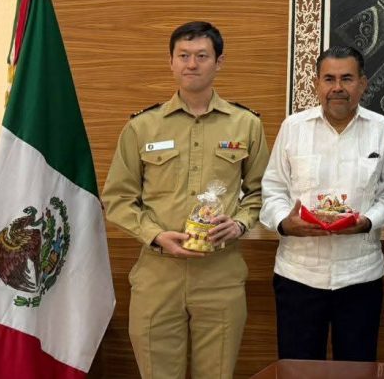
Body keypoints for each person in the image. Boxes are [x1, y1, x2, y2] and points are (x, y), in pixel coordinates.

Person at [103, 21, 269, 379]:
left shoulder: (246, 125)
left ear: (219, 62)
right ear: (171, 62)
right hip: (158, 273)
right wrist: (154, 235)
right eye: (183, 55)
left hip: (221, 273)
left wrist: (239, 224)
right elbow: (117, 198)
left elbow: (260, 193)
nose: (192, 64)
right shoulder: (142, 127)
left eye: (202, 56)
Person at [259, 45, 384, 361]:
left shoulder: (382, 129)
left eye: (347, 78)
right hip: (299, 275)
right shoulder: (293, 127)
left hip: (360, 275)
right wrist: (285, 223)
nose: (338, 87)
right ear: (316, 84)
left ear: (363, 83)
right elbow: (273, 189)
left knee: (357, 369)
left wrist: (367, 222)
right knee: (298, 370)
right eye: (329, 79)